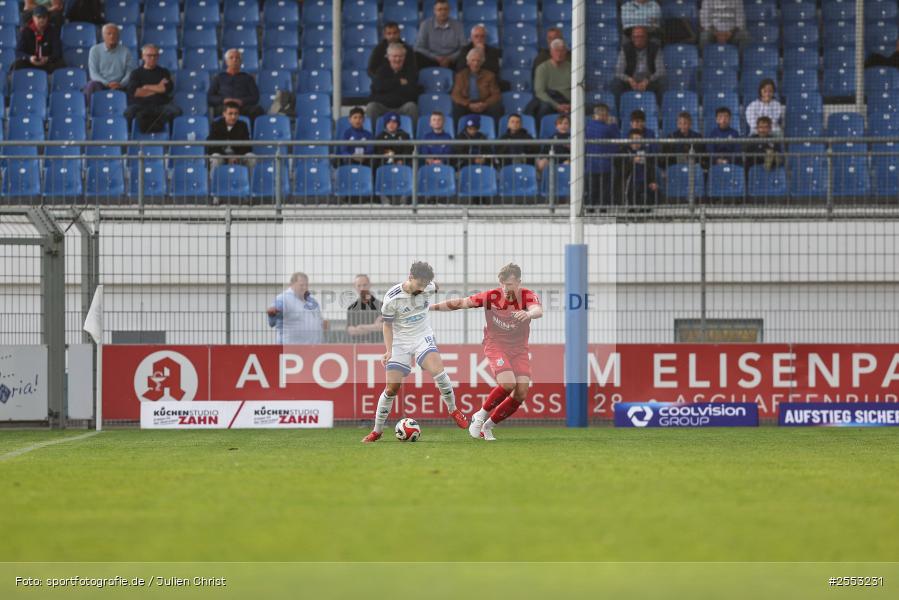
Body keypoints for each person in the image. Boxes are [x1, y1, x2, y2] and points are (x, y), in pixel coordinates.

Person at [430, 263, 543, 441]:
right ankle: (480, 415)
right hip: (495, 345)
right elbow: (461, 303)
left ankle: (487, 427)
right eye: (503, 284)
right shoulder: (492, 296)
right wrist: (430, 307)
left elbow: (537, 310)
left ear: (519, 282)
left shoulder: (528, 295)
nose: (506, 289)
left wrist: (528, 314)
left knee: (521, 393)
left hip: (519, 349)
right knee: (508, 384)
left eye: (510, 284)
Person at [361, 261, 468, 442]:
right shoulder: (392, 298)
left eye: (425, 285)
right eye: (419, 284)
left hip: (422, 337)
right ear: (410, 277)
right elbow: (387, 326)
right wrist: (388, 351)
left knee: (439, 372)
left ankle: (453, 410)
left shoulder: (428, 286)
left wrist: (431, 304)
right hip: (400, 342)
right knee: (392, 387)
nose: (422, 289)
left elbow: (435, 287)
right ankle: (377, 431)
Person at [125, 44, 182, 132]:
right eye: (149, 55)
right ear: (143, 56)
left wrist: (146, 87)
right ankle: (129, 138)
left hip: (160, 105)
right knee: (128, 112)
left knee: (176, 111)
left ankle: (170, 137)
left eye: (155, 55)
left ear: (158, 56)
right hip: (141, 105)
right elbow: (136, 92)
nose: (152, 58)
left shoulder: (164, 72)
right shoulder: (136, 73)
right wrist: (158, 87)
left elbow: (166, 89)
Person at [366, 42, 419, 127]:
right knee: (371, 107)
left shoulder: (410, 71)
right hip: (383, 107)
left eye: (400, 56)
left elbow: (412, 92)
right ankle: (372, 138)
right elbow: (377, 88)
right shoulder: (381, 71)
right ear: (389, 57)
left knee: (412, 107)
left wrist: (387, 87)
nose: (397, 59)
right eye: (394, 56)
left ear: (404, 57)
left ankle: (413, 138)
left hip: (402, 107)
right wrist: (398, 82)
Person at [266, 272, 325, 345]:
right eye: (301, 285)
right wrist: (272, 313)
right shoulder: (283, 299)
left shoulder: (311, 300)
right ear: (292, 284)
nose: (305, 287)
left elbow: (319, 319)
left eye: (306, 285)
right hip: (291, 350)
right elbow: (273, 317)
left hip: (314, 350)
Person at [84, 23, 135, 106]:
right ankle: (90, 114)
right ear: (103, 36)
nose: (112, 36)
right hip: (101, 85)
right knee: (91, 85)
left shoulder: (126, 51)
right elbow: (93, 73)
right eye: (109, 34)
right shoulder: (94, 50)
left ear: (119, 36)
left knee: (133, 85)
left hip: (120, 85)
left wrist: (121, 84)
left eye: (115, 34)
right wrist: (107, 83)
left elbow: (130, 72)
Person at [450, 47, 503, 124]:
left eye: (478, 61)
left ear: (482, 62)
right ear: (468, 62)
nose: (475, 63)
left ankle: (494, 132)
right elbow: (455, 95)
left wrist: (485, 104)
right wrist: (468, 104)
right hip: (467, 104)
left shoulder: (490, 75)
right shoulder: (460, 75)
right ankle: (458, 133)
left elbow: (496, 95)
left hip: (484, 103)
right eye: (473, 60)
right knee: (457, 109)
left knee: (497, 108)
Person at [612, 26, 665, 102]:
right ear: (632, 38)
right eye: (636, 37)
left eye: (641, 37)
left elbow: (661, 71)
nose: (638, 39)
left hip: (648, 82)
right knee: (616, 83)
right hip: (631, 82)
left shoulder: (655, 48)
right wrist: (629, 80)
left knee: (662, 82)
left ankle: (660, 110)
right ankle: (617, 110)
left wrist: (647, 80)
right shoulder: (626, 49)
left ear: (647, 37)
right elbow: (618, 71)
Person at [207, 49, 263, 120]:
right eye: (231, 58)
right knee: (220, 110)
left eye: (237, 58)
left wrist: (241, 101)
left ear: (241, 62)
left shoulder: (248, 78)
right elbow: (210, 97)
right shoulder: (219, 78)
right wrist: (223, 100)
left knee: (257, 110)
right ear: (226, 62)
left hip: (242, 107)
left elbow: (255, 97)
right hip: (224, 106)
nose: (234, 60)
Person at [585, 103, 621, 207]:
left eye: (604, 113)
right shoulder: (607, 128)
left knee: (594, 189)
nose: (602, 116)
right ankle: (601, 208)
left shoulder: (588, 126)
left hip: (594, 165)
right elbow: (617, 141)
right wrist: (613, 125)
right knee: (603, 190)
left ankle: (591, 208)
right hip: (604, 164)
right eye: (600, 113)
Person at [414, 0, 466, 69]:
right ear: (434, 11)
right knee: (416, 55)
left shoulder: (458, 25)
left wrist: (450, 58)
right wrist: (435, 57)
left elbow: (464, 47)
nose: (443, 12)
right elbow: (418, 47)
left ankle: (460, 78)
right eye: (440, 9)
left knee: (467, 54)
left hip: (453, 60)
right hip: (431, 59)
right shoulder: (425, 25)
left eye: (445, 9)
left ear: (449, 10)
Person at [530, 38, 571, 121]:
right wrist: (557, 106)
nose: (559, 54)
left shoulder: (572, 67)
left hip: (569, 100)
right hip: (551, 100)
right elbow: (540, 92)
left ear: (566, 52)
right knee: (544, 108)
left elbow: (578, 89)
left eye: (562, 51)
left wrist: (572, 104)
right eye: (556, 51)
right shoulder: (542, 68)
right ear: (551, 52)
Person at [11, 6, 63, 72]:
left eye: (44, 17)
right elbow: (18, 52)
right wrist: (29, 58)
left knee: (60, 64)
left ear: (47, 18)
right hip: (30, 62)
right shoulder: (25, 31)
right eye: (38, 17)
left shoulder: (53, 31)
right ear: (33, 18)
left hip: (47, 63)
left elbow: (57, 52)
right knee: (17, 64)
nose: (41, 20)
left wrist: (47, 59)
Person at [206, 101, 255, 170]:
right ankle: (214, 180)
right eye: (230, 113)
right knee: (215, 158)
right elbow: (212, 146)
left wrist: (237, 157)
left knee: (251, 157)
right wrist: (227, 158)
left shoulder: (243, 125)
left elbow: (247, 146)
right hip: (222, 155)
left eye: (236, 114)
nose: (233, 116)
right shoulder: (216, 125)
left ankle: (250, 180)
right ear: (224, 114)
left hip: (238, 155)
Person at [620, 130, 659, 206]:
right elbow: (622, 170)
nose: (637, 142)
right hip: (630, 182)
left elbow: (650, 168)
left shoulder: (646, 152)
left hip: (644, 181)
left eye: (639, 140)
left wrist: (653, 181)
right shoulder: (624, 151)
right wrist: (632, 161)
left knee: (651, 192)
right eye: (635, 139)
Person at [346, 274, 383, 345]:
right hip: (358, 346)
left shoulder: (382, 306)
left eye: (364, 285)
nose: (362, 288)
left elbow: (384, 327)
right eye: (359, 286)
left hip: (378, 345)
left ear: (370, 285)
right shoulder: (352, 308)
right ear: (355, 287)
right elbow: (351, 331)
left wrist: (361, 327)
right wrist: (374, 327)